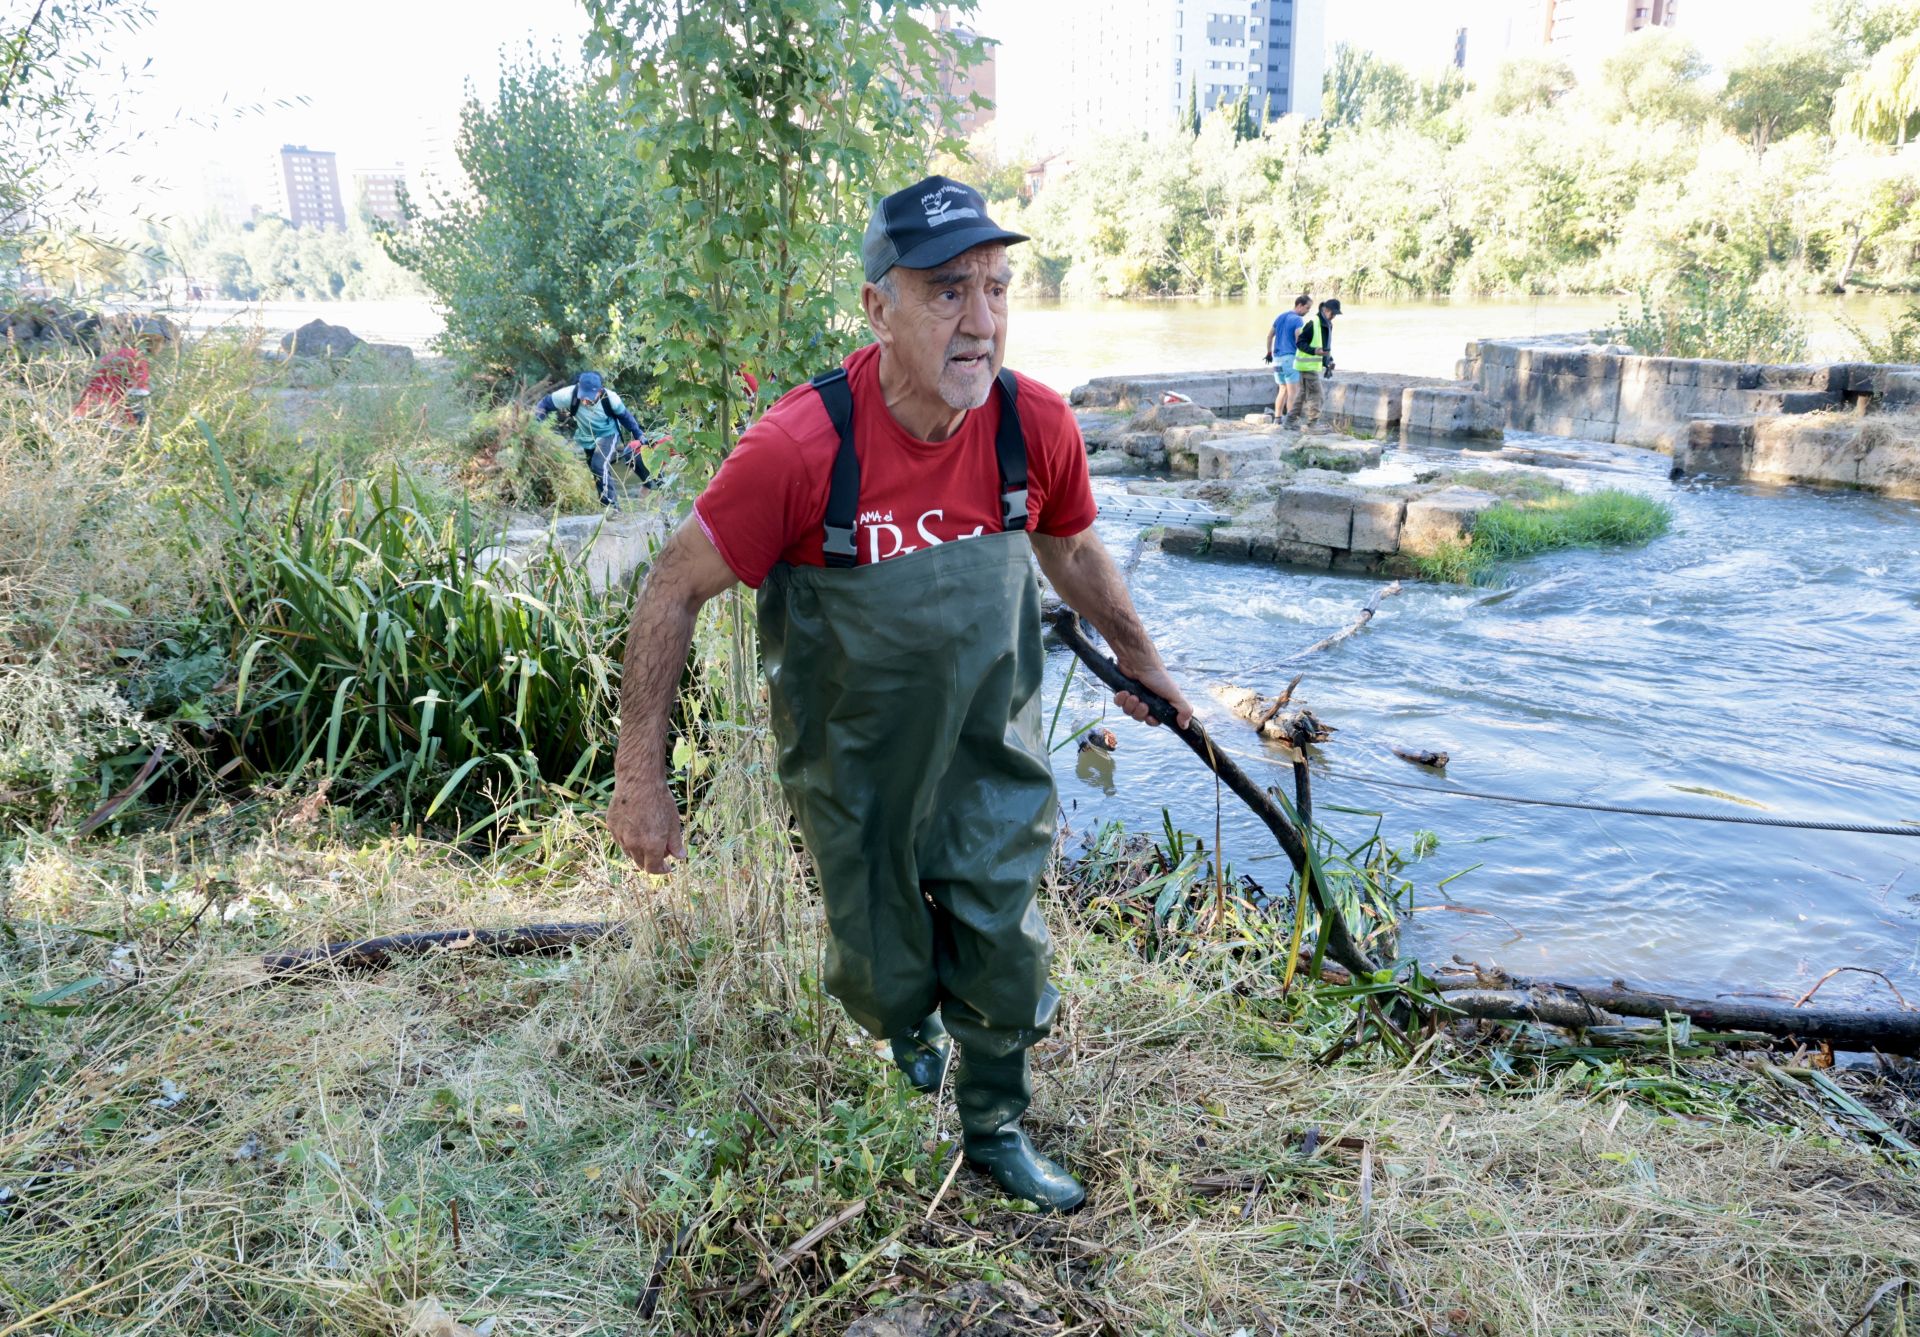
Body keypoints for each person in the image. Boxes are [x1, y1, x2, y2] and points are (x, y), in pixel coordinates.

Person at [607, 175, 1192, 1214]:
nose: (982, 322)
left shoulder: (1031, 425)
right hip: (855, 763)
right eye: (946, 292)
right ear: (878, 309)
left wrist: (1143, 661)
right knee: (881, 957)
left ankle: (996, 1124)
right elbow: (669, 587)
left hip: (986, 753)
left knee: (1003, 937)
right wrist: (638, 780)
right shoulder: (800, 448)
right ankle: (903, 1018)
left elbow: (1072, 550)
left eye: (996, 288)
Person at [535, 370, 650, 506]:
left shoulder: (611, 399)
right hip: (586, 437)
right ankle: (609, 504)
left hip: (609, 434)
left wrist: (639, 434)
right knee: (597, 471)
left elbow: (625, 417)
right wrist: (536, 424)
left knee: (598, 465)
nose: (584, 401)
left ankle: (611, 508)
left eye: (589, 397)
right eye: (582, 396)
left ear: (600, 392)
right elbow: (544, 405)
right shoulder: (568, 395)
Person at [1285, 298, 1343, 431]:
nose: (1334, 317)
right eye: (1332, 314)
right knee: (1318, 395)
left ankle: (1289, 421)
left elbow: (1324, 347)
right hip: (1307, 366)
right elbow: (1300, 343)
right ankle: (1312, 425)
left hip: (1308, 366)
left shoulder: (1327, 324)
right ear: (1325, 310)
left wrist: (1329, 361)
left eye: (1335, 315)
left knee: (1302, 395)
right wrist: (1314, 351)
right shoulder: (1313, 323)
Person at [1263, 293, 1310, 421]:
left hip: (1277, 360)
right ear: (1299, 305)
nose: (1307, 311)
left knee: (1282, 390)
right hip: (1289, 359)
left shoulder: (1280, 317)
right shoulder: (1297, 320)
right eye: (1307, 308)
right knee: (1292, 393)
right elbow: (1298, 339)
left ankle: (1277, 419)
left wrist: (1269, 353)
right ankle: (1291, 422)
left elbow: (1269, 336)